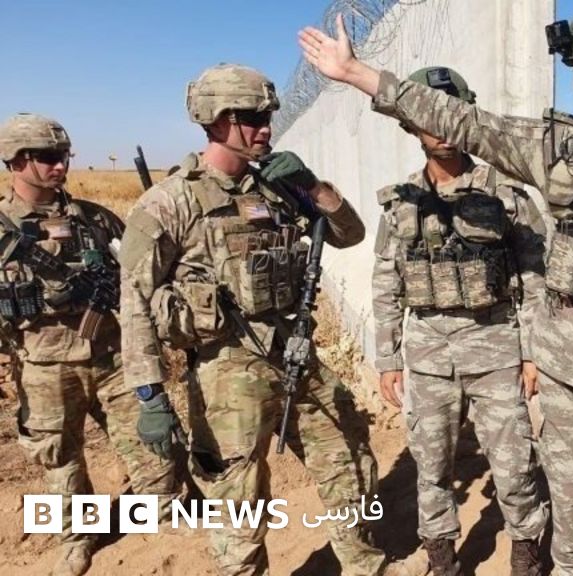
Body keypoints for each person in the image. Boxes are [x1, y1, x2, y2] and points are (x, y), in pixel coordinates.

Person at [299, 1, 573, 573]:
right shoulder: (562, 148)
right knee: (572, 522)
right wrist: (359, 74)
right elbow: (467, 123)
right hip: (562, 368)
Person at [118, 63, 400, 576]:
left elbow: (350, 234)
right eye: (250, 118)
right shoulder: (169, 202)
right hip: (224, 370)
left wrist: (313, 188)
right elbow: (135, 300)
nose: (265, 128)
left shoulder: (274, 187)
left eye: (267, 116)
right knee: (238, 502)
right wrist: (148, 392)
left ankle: (366, 566)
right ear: (214, 120)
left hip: (293, 353)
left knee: (349, 462)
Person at [372, 66, 549, 575]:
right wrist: (388, 359)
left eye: (451, 113)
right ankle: (442, 558)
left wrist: (532, 351)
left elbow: (535, 275)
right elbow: (386, 281)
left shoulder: (505, 193)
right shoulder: (400, 201)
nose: (441, 128)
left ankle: (526, 553)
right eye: (428, 116)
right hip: (428, 352)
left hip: (495, 347)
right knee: (431, 467)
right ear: (410, 124)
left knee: (514, 464)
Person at [0, 113, 180, 576]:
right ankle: (78, 536)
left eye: (63, 156)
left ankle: (166, 518)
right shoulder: (3, 230)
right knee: (59, 458)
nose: (60, 165)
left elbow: (141, 270)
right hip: (43, 365)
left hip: (112, 355)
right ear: (16, 161)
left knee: (154, 446)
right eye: (47, 157)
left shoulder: (95, 219)